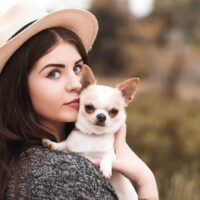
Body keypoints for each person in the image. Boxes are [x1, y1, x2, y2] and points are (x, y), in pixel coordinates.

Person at [0, 1, 159, 200]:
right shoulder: (64, 174)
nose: (76, 83)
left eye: (77, 68)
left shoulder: (19, 162)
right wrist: (146, 181)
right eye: (54, 73)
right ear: (17, 87)